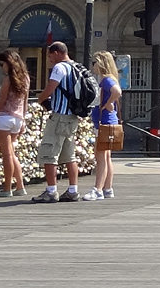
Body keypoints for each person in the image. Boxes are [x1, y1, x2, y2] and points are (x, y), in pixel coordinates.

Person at [30, 42, 85, 203]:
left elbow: (50, 88)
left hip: (59, 116)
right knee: (70, 155)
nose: (49, 59)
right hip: (72, 117)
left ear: (56, 53)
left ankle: (51, 191)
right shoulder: (77, 67)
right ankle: (73, 190)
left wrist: (40, 99)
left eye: (49, 55)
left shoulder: (59, 68)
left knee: (49, 152)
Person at [0, 48, 29, 197]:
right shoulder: (25, 78)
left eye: (2, 64)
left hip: (4, 119)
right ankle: (20, 186)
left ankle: (7, 189)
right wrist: (23, 120)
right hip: (17, 120)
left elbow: (0, 104)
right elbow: (25, 103)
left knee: (7, 156)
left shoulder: (7, 80)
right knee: (12, 153)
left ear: (8, 63)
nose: (1, 67)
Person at [82, 51, 123, 201]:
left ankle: (97, 189)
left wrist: (108, 103)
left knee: (101, 157)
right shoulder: (110, 78)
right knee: (106, 157)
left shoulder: (105, 80)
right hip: (109, 121)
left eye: (95, 63)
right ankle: (107, 188)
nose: (93, 66)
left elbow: (117, 92)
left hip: (103, 122)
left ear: (101, 64)